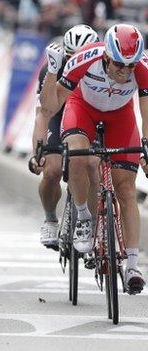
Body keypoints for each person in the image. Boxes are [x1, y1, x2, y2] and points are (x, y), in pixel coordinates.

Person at [39, 24, 148, 294]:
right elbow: (50, 107)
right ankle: (84, 217)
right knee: (79, 156)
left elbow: (146, 113)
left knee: (126, 190)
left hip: (121, 119)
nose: (124, 72)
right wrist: (53, 72)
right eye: (119, 65)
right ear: (106, 57)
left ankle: (132, 265)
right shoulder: (84, 58)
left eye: (130, 67)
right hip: (82, 109)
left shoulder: (142, 68)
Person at [29, 24, 99, 249]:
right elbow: (43, 113)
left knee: (92, 165)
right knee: (52, 171)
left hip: (90, 116)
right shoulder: (52, 69)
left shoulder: (102, 68)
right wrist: (38, 152)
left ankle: (94, 226)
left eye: (84, 57)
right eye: (71, 57)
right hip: (59, 115)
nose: (77, 62)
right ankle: (50, 218)